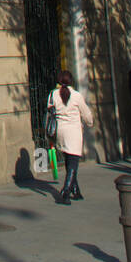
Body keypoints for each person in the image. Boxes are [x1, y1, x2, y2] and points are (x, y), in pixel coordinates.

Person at [47, 69, 93, 206]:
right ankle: (66, 191)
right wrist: (90, 123)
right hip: (74, 132)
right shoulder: (76, 96)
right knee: (73, 163)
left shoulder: (53, 95)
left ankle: (75, 190)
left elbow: (49, 111)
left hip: (60, 132)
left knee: (69, 160)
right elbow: (86, 114)